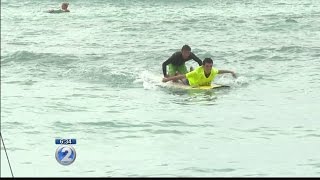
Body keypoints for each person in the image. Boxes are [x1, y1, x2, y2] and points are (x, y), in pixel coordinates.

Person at [162, 58, 237, 87]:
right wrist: (166, 80)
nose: (209, 68)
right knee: (183, 79)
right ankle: (177, 72)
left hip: (199, 80)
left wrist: (231, 72)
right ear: (203, 66)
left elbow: (219, 71)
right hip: (191, 82)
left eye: (211, 66)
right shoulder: (197, 72)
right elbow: (182, 77)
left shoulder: (213, 70)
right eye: (207, 66)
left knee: (190, 74)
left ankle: (190, 70)